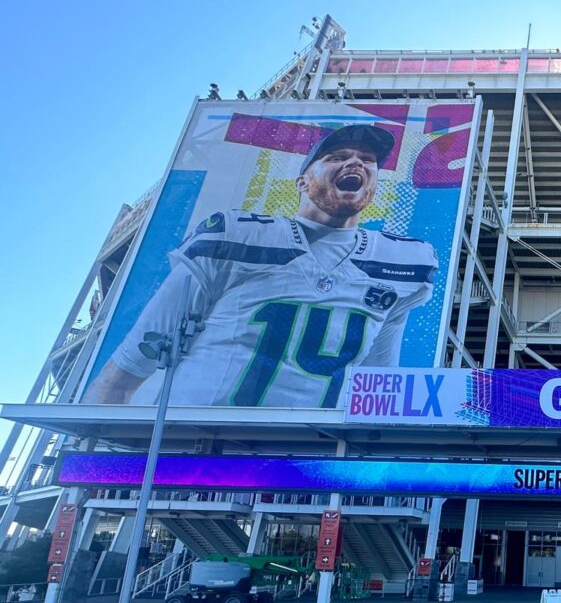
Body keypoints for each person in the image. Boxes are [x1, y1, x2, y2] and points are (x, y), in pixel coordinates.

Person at [85, 124, 438, 408]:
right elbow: (132, 363)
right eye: (338, 156)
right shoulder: (238, 234)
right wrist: (89, 463)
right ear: (303, 182)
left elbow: (375, 387)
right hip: (185, 453)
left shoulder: (405, 263)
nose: (356, 163)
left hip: (292, 472)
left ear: (373, 186)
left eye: (368, 160)